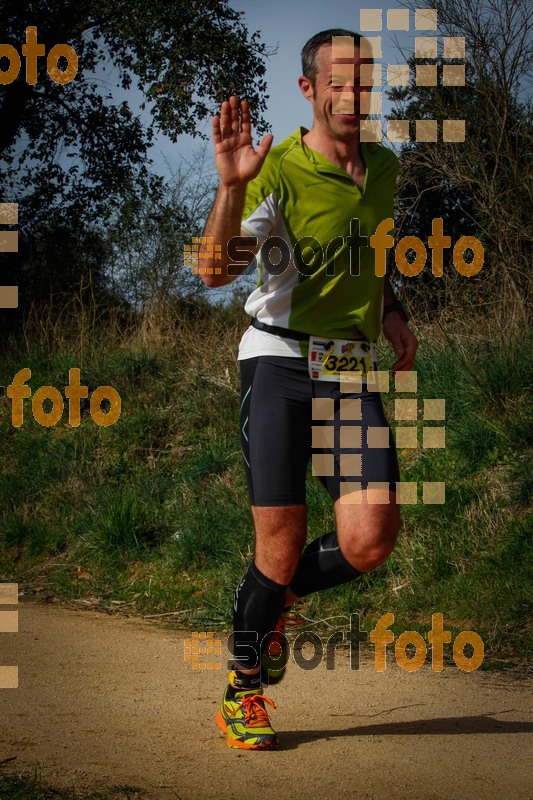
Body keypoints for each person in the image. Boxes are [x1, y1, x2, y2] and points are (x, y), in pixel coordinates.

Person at [197, 28, 418, 750]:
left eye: (363, 80)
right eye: (338, 80)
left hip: (349, 366)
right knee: (281, 538)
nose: (351, 93)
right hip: (279, 363)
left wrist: (388, 312)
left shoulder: (382, 167)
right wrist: (231, 187)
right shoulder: (277, 169)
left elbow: (371, 250)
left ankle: (276, 600)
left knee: (370, 537)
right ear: (309, 89)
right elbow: (213, 269)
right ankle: (242, 685)